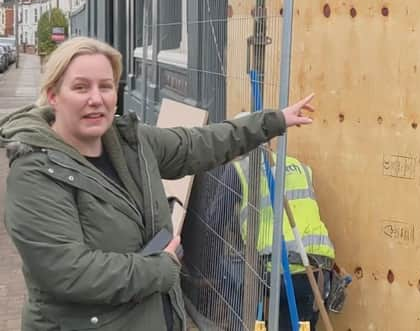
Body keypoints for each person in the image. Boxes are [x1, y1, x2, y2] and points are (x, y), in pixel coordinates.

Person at [0, 36, 315, 331]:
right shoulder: (35, 172)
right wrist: (161, 268)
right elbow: (68, 271)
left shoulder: (131, 143)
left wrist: (271, 121)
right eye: (81, 88)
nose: (96, 99)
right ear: (54, 95)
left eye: (106, 86)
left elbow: (198, 144)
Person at [230, 131, 335, 331]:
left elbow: (216, 218)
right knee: (299, 324)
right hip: (318, 267)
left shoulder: (240, 169)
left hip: (279, 267)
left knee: (234, 279)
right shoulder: (300, 166)